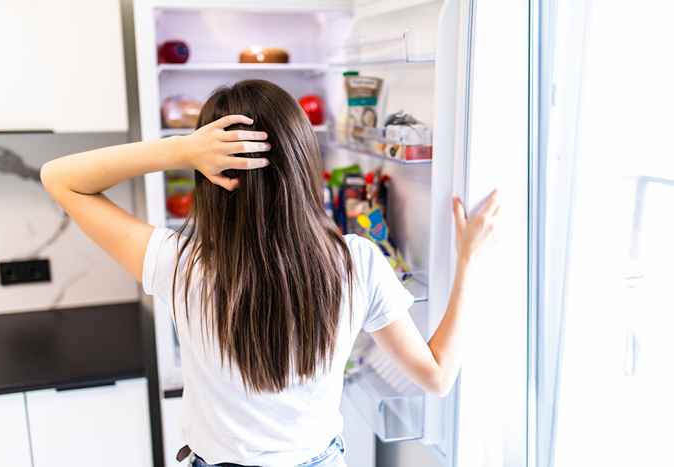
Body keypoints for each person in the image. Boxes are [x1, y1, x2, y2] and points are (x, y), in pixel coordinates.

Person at [41, 79, 499, 467]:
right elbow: (438, 377)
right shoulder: (355, 262)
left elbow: (60, 177)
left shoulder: (180, 265)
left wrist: (181, 149)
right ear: (303, 163)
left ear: (210, 175)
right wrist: (466, 265)